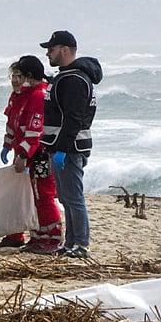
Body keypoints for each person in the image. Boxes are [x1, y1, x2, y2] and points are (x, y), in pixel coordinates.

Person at [39, 30, 103, 258]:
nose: (48, 53)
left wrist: (62, 150)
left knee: (74, 198)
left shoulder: (74, 80)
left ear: (64, 50)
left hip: (70, 148)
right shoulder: (66, 77)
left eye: (51, 49)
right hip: (63, 147)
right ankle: (69, 244)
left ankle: (81, 245)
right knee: (65, 197)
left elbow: (73, 118)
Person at [0, 55, 64, 254]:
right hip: (28, 152)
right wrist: (8, 145)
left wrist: (24, 154)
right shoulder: (24, 94)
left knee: (44, 194)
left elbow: (35, 130)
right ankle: (38, 235)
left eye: (20, 75)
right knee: (33, 195)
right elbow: (15, 122)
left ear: (29, 75)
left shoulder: (38, 96)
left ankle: (52, 237)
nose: (17, 80)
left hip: (39, 154)